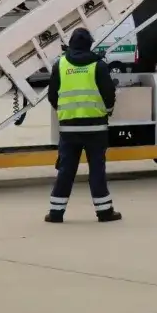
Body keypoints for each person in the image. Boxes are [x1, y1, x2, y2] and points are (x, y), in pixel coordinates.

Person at [45, 27, 121, 225]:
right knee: (97, 169)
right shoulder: (98, 66)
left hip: (69, 128)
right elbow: (109, 93)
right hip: (96, 128)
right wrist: (108, 110)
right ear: (89, 44)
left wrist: (64, 113)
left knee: (66, 170)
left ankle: (56, 212)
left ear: (70, 44)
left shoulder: (59, 65)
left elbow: (52, 96)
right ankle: (104, 211)